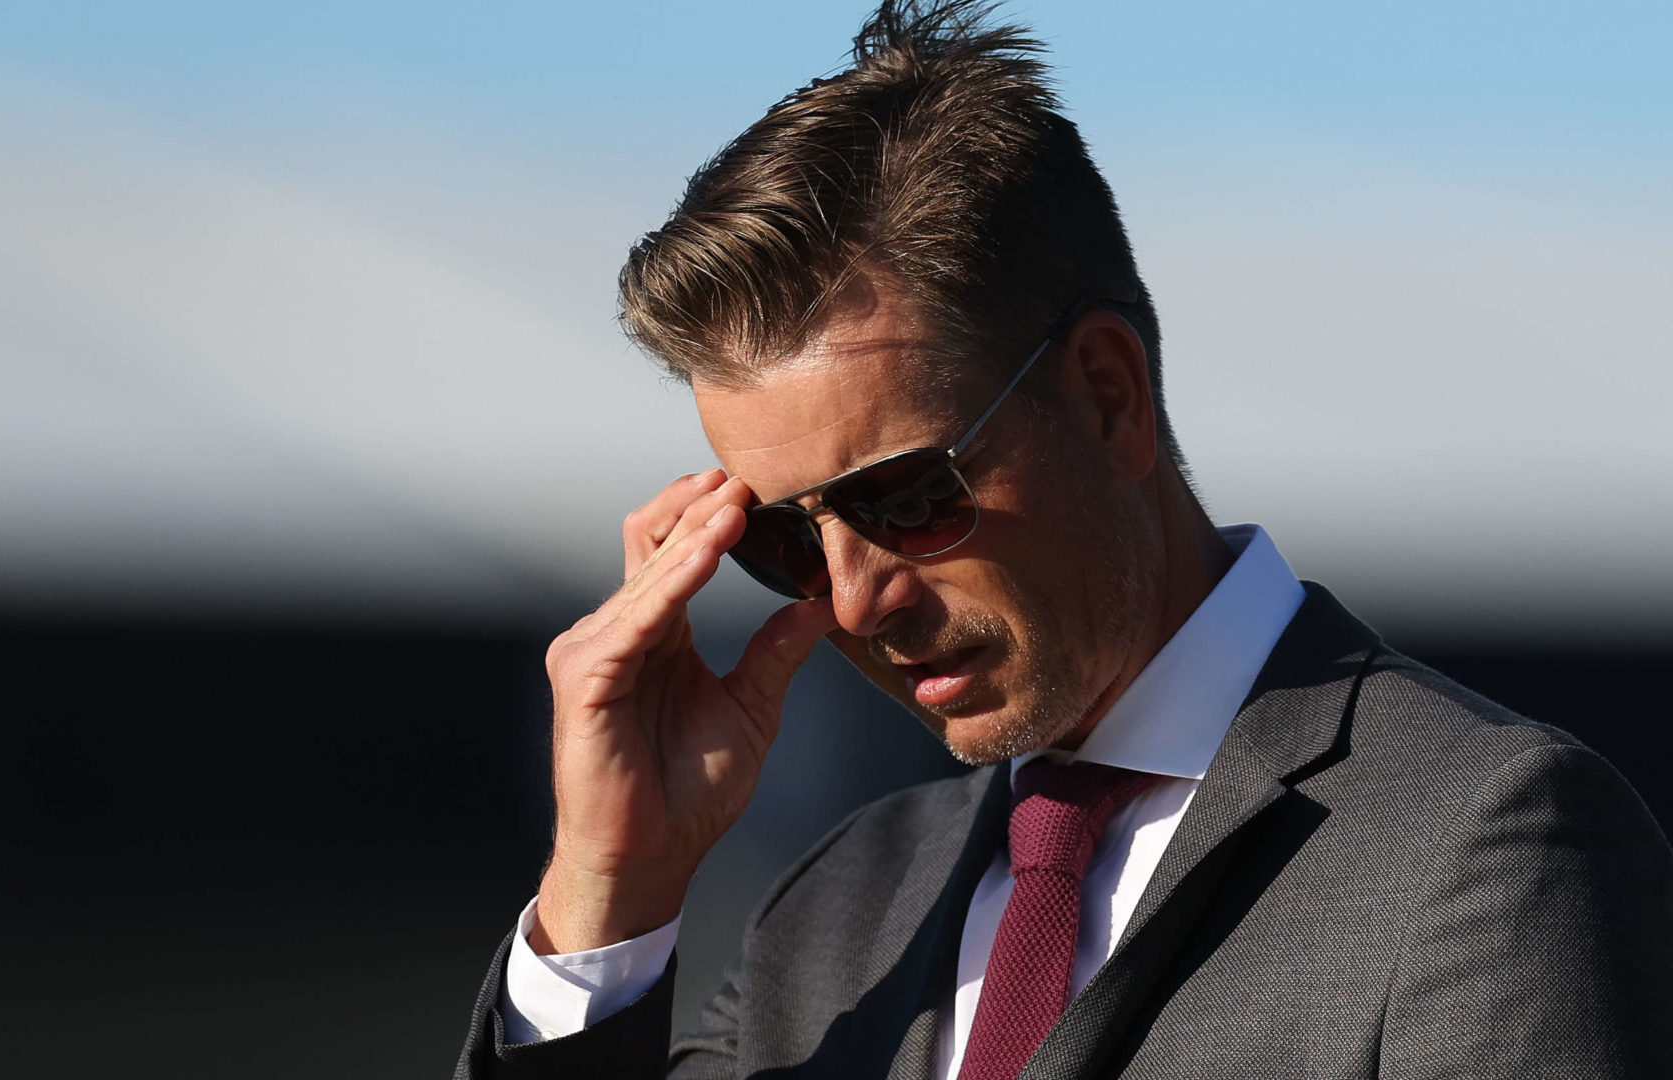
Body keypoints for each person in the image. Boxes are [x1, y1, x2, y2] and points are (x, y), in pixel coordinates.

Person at [454, 2, 1673, 1076]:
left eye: (902, 497)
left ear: (1107, 395)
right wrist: (608, 894)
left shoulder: (1483, 841)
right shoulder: (840, 911)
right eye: (778, 543)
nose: (852, 598)